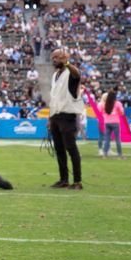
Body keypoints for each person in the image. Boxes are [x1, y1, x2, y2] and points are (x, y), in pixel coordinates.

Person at [47, 48, 85, 189]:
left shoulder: (71, 71)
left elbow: (77, 74)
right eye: (53, 58)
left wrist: (67, 63)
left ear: (64, 58)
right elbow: (53, 98)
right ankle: (64, 180)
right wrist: (50, 119)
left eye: (56, 57)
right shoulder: (55, 75)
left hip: (67, 115)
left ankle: (77, 181)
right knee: (59, 150)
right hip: (56, 116)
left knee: (71, 149)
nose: (54, 60)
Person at [98, 87, 125, 159]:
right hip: (115, 122)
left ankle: (104, 154)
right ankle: (120, 155)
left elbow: (99, 111)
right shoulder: (118, 103)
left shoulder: (104, 104)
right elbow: (122, 113)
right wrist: (118, 113)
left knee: (107, 139)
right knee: (117, 139)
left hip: (107, 122)